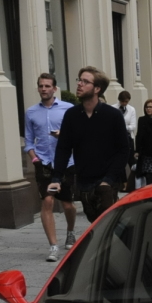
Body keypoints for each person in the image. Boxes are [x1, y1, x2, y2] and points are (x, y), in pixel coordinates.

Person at [49, 66, 128, 223]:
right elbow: (64, 148)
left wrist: (109, 180)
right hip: (84, 181)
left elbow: (124, 149)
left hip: (106, 182)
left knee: (105, 226)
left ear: (97, 88)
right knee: (95, 222)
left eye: (85, 81)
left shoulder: (113, 115)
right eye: (79, 80)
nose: (79, 84)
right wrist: (56, 177)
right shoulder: (72, 115)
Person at [24, 73, 76, 262]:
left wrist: (62, 135)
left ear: (54, 88)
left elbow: (76, 136)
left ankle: (70, 232)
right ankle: (53, 246)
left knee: (68, 205)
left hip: (66, 162)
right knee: (47, 202)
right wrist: (34, 158)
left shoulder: (68, 109)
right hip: (44, 162)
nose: (44, 89)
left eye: (47, 86)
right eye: (41, 86)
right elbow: (28, 140)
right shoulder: (31, 112)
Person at [117, 90, 139, 192]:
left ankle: (135, 182)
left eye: (126, 101)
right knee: (120, 162)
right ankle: (124, 184)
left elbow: (133, 126)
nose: (124, 103)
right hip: (117, 139)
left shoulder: (131, 109)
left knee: (131, 160)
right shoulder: (113, 108)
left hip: (129, 138)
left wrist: (123, 127)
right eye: (122, 101)